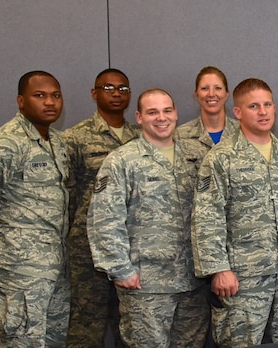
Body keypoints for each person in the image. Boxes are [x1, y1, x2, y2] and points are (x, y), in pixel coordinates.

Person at [191, 78, 278, 347]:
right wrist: (219, 269)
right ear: (237, 112)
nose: (263, 112)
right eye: (254, 106)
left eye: (267, 104)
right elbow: (207, 217)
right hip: (242, 277)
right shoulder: (221, 157)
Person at [87, 88, 210, 347]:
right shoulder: (122, 160)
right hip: (146, 285)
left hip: (193, 283)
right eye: (152, 112)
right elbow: (105, 219)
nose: (161, 118)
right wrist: (120, 269)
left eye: (167, 111)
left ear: (176, 113)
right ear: (139, 117)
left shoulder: (196, 155)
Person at [0, 70, 71, 347]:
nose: (50, 102)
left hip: (55, 268)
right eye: (39, 95)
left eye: (55, 95)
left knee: (54, 342)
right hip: (20, 271)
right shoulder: (4, 143)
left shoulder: (57, 142)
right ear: (21, 101)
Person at [64, 68, 140, 348]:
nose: (116, 93)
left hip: (131, 248)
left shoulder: (141, 136)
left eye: (123, 88)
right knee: (85, 328)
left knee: (132, 327)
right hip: (87, 251)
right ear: (94, 93)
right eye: (108, 88)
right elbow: (66, 194)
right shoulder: (75, 138)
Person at [178, 66, 240, 149]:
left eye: (217, 88)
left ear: (226, 94)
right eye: (205, 88)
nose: (211, 94)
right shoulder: (180, 135)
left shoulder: (243, 131)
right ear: (196, 95)